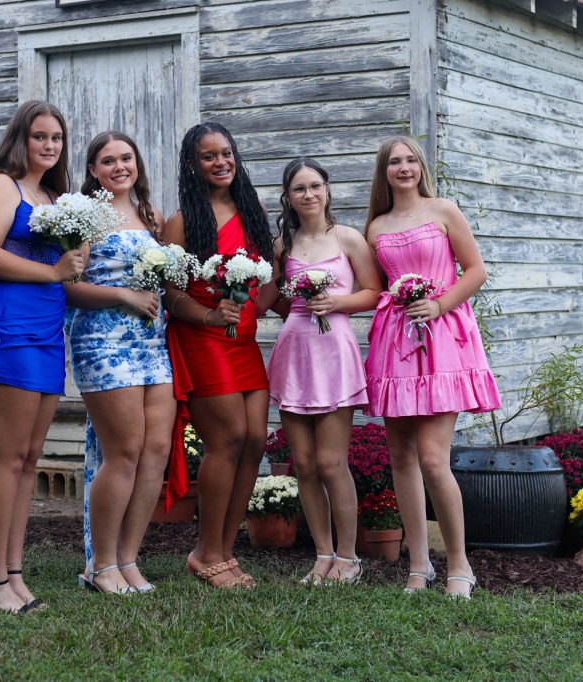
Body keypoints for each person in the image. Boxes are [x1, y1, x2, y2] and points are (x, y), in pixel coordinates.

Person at [363, 136, 501, 598]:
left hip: (443, 339)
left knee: (432, 459)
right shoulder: (375, 226)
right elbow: (372, 286)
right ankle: (419, 565)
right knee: (401, 457)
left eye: (410, 160)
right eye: (394, 162)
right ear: (384, 171)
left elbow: (476, 270)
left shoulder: (443, 210)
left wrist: (439, 304)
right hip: (395, 341)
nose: (404, 168)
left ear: (420, 166)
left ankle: (459, 563)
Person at [0, 100, 85, 613]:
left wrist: (75, 258)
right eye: (40, 136)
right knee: (6, 458)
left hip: (46, 332)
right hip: (5, 327)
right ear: (21, 139)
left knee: (29, 459)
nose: (50, 145)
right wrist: (53, 271)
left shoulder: (53, 196)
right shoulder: (1, 187)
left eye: (57, 137)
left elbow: (65, 269)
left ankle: (12, 574)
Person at [163, 122, 274, 588]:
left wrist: (266, 302)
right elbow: (170, 293)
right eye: (209, 156)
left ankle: (226, 552)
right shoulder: (182, 221)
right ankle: (205, 552)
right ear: (193, 165)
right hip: (203, 338)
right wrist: (210, 316)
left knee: (255, 441)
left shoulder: (253, 211)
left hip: (243, 340)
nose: (220, 162)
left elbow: (267, 281)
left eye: (226, 153)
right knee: (227, 439)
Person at [65, 131, 175, 595]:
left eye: (126, 158)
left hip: (153, 343)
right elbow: (68, 287)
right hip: (103, 343)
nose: (119, 167)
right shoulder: (85, 219)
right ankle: (101, 565)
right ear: (93, 170)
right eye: (107, 161)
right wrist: (124, 296)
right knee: (124, 451)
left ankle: (128, 559)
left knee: (156, 452)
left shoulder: (152, 216)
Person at [261, 157, 380, 585]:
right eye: (299, 188)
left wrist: (336, 303)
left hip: (334, 353)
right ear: (288, 198)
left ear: (327, 189)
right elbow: (271, 297)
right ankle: (322, 555)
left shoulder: (348, 238)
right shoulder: (282, 245)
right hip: (295, 351)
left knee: (331, 462)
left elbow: (373, 292)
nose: (308, 194)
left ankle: (349, 558)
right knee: (305, 464)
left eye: (315, 186)